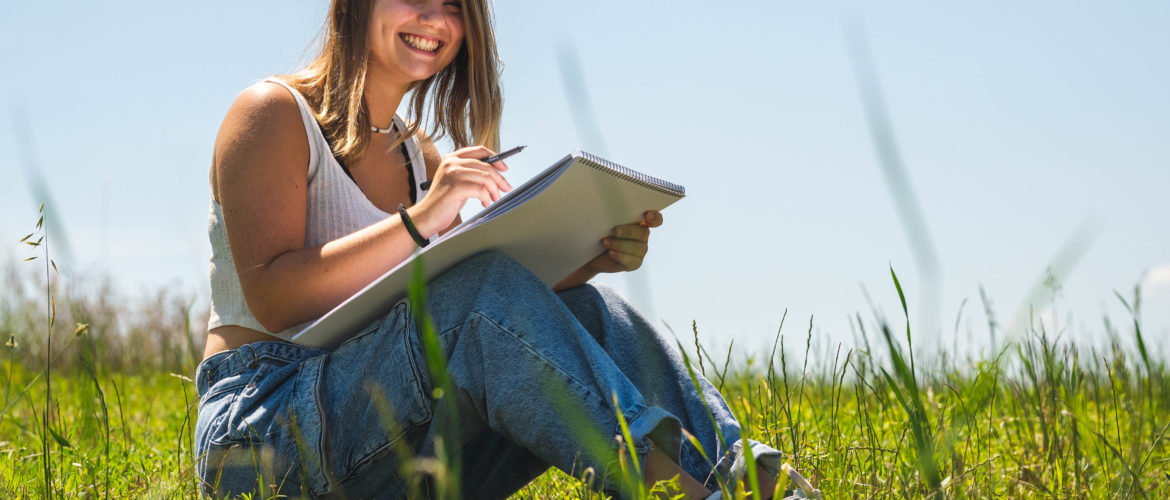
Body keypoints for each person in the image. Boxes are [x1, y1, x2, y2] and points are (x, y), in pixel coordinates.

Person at [194, 0, 809, 498]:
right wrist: (422, 219)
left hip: (382, 430)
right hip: (261, 429)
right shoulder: (273, 112)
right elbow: (274, 299)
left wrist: (586, 255)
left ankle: (748, 477)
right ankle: (676, 492)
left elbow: (467, 332)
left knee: (591, 309)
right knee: (480, 293)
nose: (435, 19)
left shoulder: (420, 158)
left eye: (453, 5)